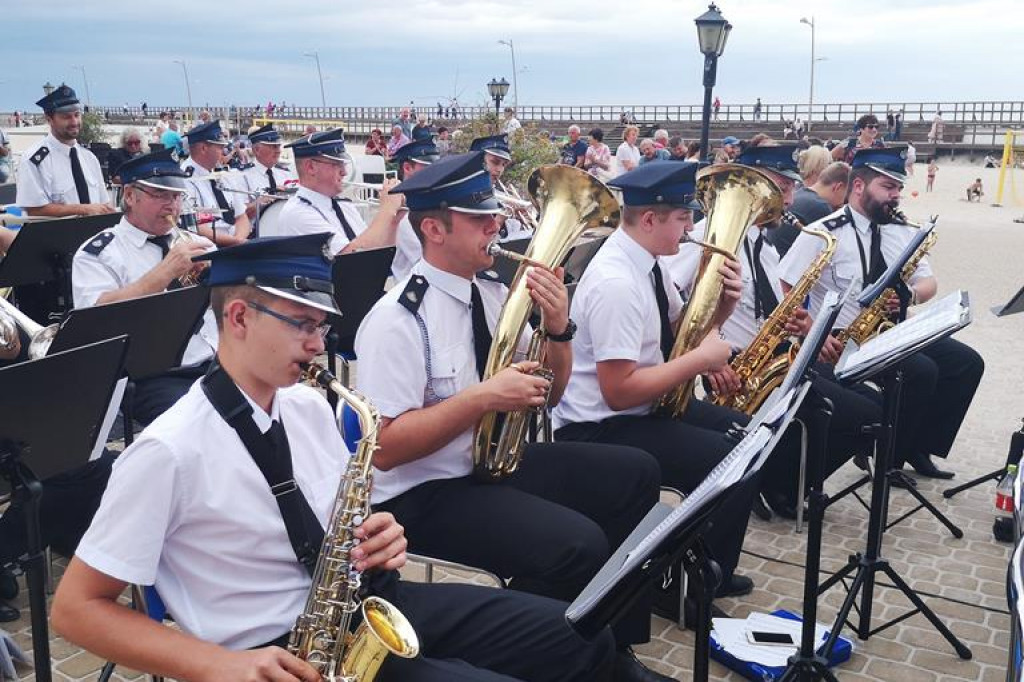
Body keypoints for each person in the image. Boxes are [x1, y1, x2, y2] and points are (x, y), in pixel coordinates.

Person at [53, 232, 619, 682]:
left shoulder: (308, 406)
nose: (318, 345)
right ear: (239, 318)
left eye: (322, 326)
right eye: (301, 323)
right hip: (276, 655)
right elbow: (76, 610)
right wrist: (216, 666)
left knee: (578, 635)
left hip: (362, 609)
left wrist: (383, 533)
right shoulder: (166, 451)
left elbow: (338, 522)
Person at [355, 152, 672, 681]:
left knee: (633, 472)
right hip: (424, 491)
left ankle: (613, 648)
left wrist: (558, 325)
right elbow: (384, 450)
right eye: (479, 218)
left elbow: (552, 394)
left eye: (493, 215)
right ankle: (559, 656)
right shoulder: (396, 319)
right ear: (434, 227)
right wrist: (484, 397)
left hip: (486, 465)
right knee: (576, 543)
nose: (495, 226)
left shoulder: (495, 292)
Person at [552, 160, 765, 617]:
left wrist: (724, 309)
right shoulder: (617, 283)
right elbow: (619, 391)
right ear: (650, 220)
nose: (691, 229)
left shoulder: (648, 263)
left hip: (643, 407)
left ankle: (705, 570)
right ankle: (681, 586)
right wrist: (699, 363)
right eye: (683, 218)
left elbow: (677, 333)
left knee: (751, 440)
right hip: (603, 425)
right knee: (728, 463)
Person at [663, 146, 878, 518]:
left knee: (864, 405)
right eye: (782, 188)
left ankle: (782, 478)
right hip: (730, 363)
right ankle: (777, 483)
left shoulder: (763, 245)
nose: (791, 199)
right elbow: (670, 310)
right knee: (837, 411)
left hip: (767, 356)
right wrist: (704, 360)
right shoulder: (709, 235)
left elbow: (769, 306)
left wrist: (801, 326)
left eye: (792, 188)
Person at [779, 147, 985, 480]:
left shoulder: (902, 231)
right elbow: (787, 283)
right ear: (858, 186)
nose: (896, 196)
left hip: (890, 331)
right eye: (888, 188)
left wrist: (909, 295)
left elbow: (928, 283)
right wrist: (812, 331)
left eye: (898, 189)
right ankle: (887, 459)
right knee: (920, 371)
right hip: (848, 341)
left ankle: (919, 445)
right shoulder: (826, 231)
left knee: (966, 363)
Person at [72, 148, 217, 424]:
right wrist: (164, 272)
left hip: (216, 361)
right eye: (160, 195)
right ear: (129, 195)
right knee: (202, 425)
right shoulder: (99, 253)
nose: (172, 205)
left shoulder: (198, 244)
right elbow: (95, 320)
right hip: (151, 376)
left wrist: (219, 280)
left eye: (177, 196)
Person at [267, 128, 403, 257]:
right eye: (337, 164)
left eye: (343, 164)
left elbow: (378, 253)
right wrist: (387, 209)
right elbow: (353, 258)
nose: (344, 172)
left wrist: (394, 220)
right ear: (311, 167)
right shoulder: (297, 213)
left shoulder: (344, 205)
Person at [16, 84, 113, 218]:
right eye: (66, 117)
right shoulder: (34, 160)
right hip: (55, 236)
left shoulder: (89, 158)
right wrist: (82, 209)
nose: (74, 122)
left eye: (77, 115)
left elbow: (104, 204)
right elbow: (34, 210)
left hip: (94, 235)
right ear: (50, 120)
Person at [181, 120, 252, 246]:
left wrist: (239, 240)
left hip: (235, 243)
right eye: (219, 147)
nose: (224, 152)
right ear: (203, 148)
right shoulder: (184, 179)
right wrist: (235, 242)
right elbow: (196, 227)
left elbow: (241, 216)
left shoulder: (222, 174)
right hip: (209, 248)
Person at [773, 161, 851, 256]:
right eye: (846, 196)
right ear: (838, 187)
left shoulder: (800, 194)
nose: (843, 202)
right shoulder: (821, 207)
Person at [389, 138, 440, 281]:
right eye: (427, 168)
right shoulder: (402, 212)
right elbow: (432, 260)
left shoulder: (430, 203)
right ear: (407, 168)